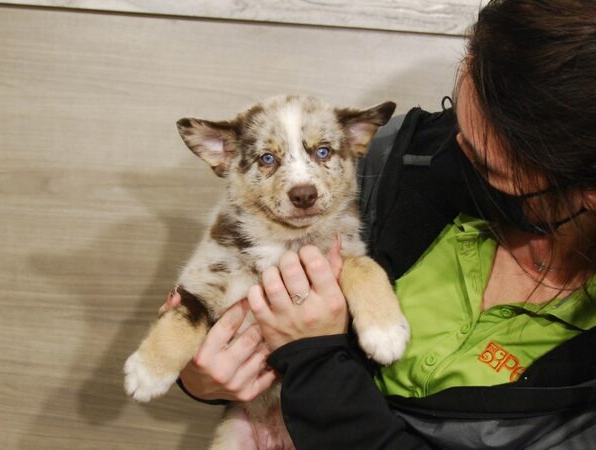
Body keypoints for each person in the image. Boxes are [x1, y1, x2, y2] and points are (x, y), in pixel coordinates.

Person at [165, 0, 596, 447]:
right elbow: (231, 294)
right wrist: (203, 373)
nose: (455, 147)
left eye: (490, 166)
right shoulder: (394, 160)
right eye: (457, 112)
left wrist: (316, 362)